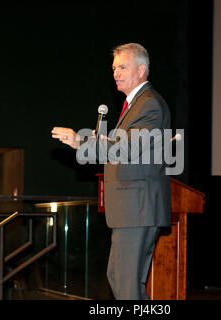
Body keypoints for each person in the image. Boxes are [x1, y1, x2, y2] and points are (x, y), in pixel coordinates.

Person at [52, 43, 171, 300]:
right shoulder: (134, 104)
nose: (116, 73)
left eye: (123, 67)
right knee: (117, 277)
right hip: (128, 209)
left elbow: (126, 149)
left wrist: (81, 141)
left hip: (137, 208)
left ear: (141, 70)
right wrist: (99, 141)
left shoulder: (149, 105)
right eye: (114, 67)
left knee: (128, 285)